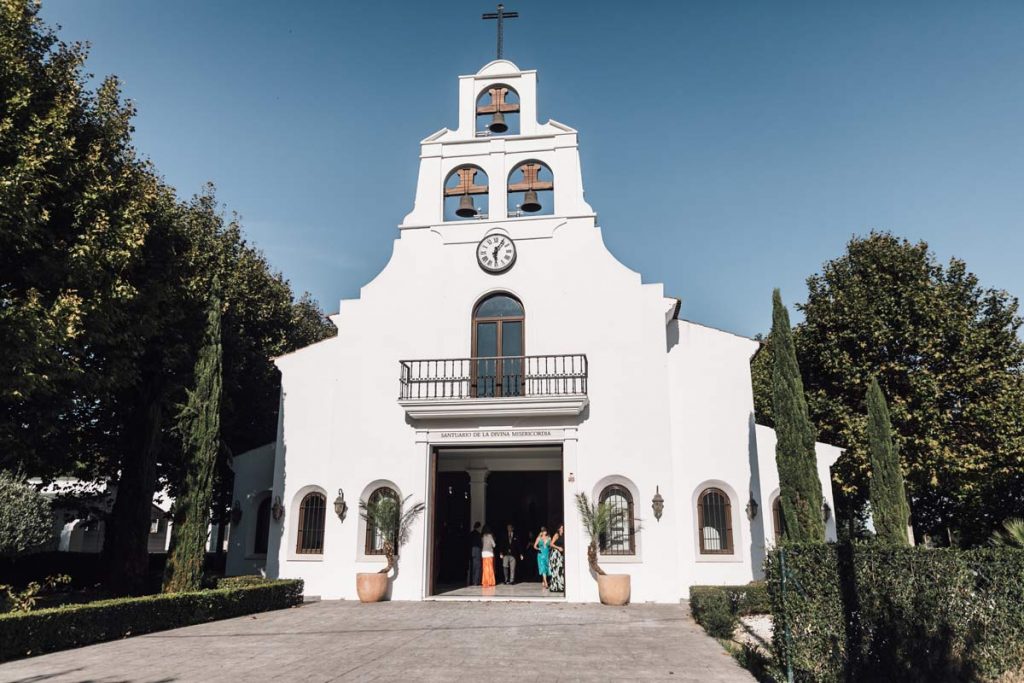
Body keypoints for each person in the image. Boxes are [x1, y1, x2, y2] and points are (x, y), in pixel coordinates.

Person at [549, 523, 565, 592]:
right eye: (561, 528)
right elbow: (551, 544)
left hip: (561, 555)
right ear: (559, 529)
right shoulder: (556, 535)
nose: (563, 529)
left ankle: (560, 586)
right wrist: (558, 548)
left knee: (560, 570)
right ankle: (554, 587)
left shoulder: (564, 535)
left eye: (563, 528)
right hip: (555, 554)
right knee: (556, 570)